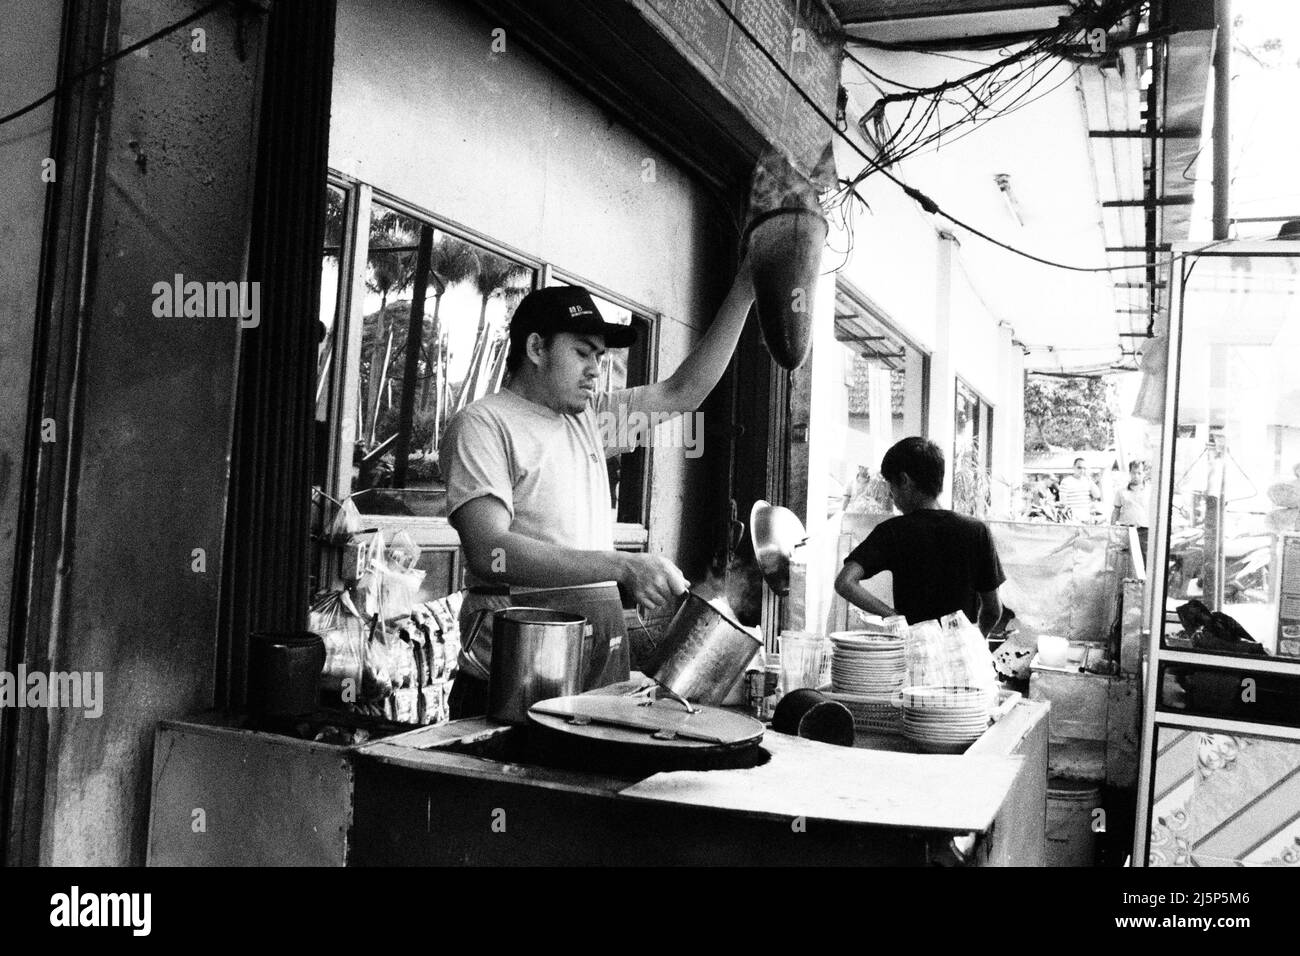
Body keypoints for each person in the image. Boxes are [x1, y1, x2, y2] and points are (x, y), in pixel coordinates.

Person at [441, 260, 755, 717]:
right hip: (516, 671)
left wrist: (744, 287)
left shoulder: (590, 420)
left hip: (596, 659)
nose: (595, 371)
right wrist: (622, 566)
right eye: (582, 353)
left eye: (599, 358)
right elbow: (490, 552)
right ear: (535, 348)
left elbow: (683, 391)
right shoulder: (485, 423)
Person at [833, 437, 1006, 634]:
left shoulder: (892, 531)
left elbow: (845, 582)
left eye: (891, 485)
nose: (891, 495)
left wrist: (894, 617)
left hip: (914, 653)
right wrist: (976, 642)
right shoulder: (976, 531)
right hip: (961, 655)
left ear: (905, 481)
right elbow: (993, 610)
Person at [1058, 457, 1100, 522]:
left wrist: (1089, 479)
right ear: (1073, 467)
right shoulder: (1066, 481)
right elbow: (1063, 502)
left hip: (1086, 518)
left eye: (1084, 468)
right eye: (1079, 467)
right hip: (1073, 519)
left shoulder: (1087, 481)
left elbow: (1097, 495)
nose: (1082, 470)